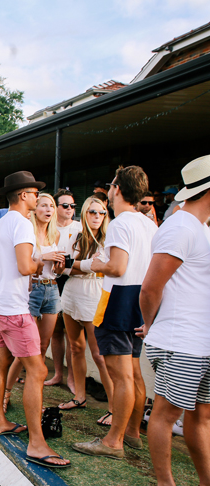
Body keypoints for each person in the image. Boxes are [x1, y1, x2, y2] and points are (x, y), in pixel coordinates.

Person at [73, 166, 157, 460]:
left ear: (118, 189)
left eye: (111, 185)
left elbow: (117, 267)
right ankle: (132, 433)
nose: (108, 190)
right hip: (139, 300)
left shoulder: (121, 224)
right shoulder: (149, 224)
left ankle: (113, 441)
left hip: (118, 299)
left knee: (121, 377)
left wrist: (97, 264)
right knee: (133, 372)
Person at [0, 171, 70, 468]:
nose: (38, 198)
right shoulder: (22, 223)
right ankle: (37, 443)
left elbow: (7, 265)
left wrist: (36, 263)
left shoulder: (0, 223)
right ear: (24, 195)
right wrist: (44, 259)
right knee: (37, 371)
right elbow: (25, 267)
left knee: (1, 362)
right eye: (35, 193)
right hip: (13, 308)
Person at [138, 155, 210, 486]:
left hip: (201, 341)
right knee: (166, 416)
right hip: (179, 343)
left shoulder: (199, 228)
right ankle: (165, 483)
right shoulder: (180, 227)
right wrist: (152, 325)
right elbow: (150, 289)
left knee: (202, 417)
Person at [3, 193, 65, 411]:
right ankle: (7, 392)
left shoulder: (54, 234)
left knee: (42, 346)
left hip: (52, 289)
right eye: (44, 205)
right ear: (35, 209)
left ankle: (33, 393)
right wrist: (43, 259)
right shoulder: (26, 231)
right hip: (32, 290)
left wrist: (59, 264)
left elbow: (57, 270)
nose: (49, 210)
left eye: (51, 206)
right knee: (25, 349)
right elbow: (25, 264)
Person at [58, 197, 114, 422]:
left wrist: (71, 267)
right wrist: (76, 267)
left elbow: (95, 268)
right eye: (92, 212)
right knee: (75, 347)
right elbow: (65, 267)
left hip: (94, 296)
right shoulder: (76, 236)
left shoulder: (109, 239)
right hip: (71, 294)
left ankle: (114, 409)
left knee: (99, 355)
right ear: (84, 213)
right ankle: (79, 396)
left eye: (101, 213)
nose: (97, 217)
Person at [46, 189, 82, 390]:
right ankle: (58, 374)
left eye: (72, 206)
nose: (70, 209)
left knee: (72, 333)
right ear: (56, 207)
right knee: (55, 331)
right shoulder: (48, 228)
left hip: (73, 279)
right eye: (65, 205)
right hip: (52, 280)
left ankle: (72, 379)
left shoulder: (80, 228)